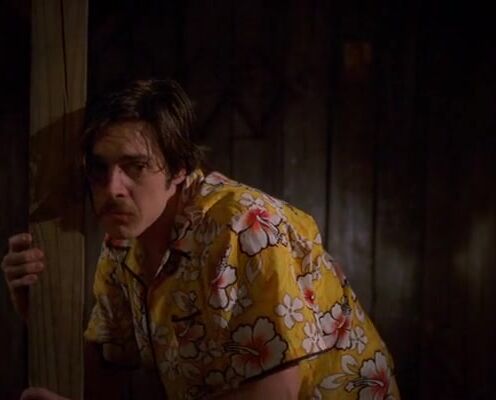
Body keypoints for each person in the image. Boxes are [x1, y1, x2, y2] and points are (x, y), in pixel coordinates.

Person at [2, 79, 400, 400]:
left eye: (134, 166)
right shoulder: (122, 247)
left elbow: (275, 394)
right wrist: (39, 312)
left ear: (179, 169)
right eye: (99, 169)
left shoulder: (244, 226)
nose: (112, 188)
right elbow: (104, 380)